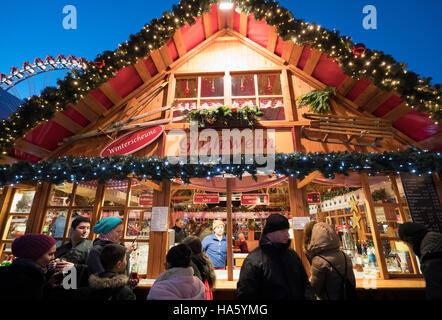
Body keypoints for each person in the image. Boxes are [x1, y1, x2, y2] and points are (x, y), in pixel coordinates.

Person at [237, 214, 315, 300]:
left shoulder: (292, 255)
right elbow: (245, 294)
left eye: (287, 230)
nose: (287, 235)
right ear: (270, 233)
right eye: (283, 231)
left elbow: (305, 284)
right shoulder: (253, 260)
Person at [304, 222, 356, 300]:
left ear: (315, 238)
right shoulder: (344, 255)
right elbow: (352, 281)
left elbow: (315, 288)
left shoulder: (318, 261)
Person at [0, 234, 58, 300]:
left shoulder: (16, 272)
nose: (53, 257)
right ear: (34, 254)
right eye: (50, 254)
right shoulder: (31, 279)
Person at [399, 222, 442, 300]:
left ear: (409, 239)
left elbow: (436, 293)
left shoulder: (430, 259)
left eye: (406, 243)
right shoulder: (436, 242)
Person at [88, 217, 136, 281]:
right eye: (118, 231)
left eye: (122, 231)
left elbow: (124, 273)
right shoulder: (96, 250)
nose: (121, 235)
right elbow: (101, 279)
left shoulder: (120, 247)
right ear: (108, 232)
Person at [51, 216, 93, 287]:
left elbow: (94, 270)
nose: (86, 231)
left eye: (88, 228)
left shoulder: (92, 247)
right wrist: (52, 266)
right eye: (82, 228)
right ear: (72, 230)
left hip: (78, 288)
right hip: (60, 287)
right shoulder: (62, 248)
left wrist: (75, 267)